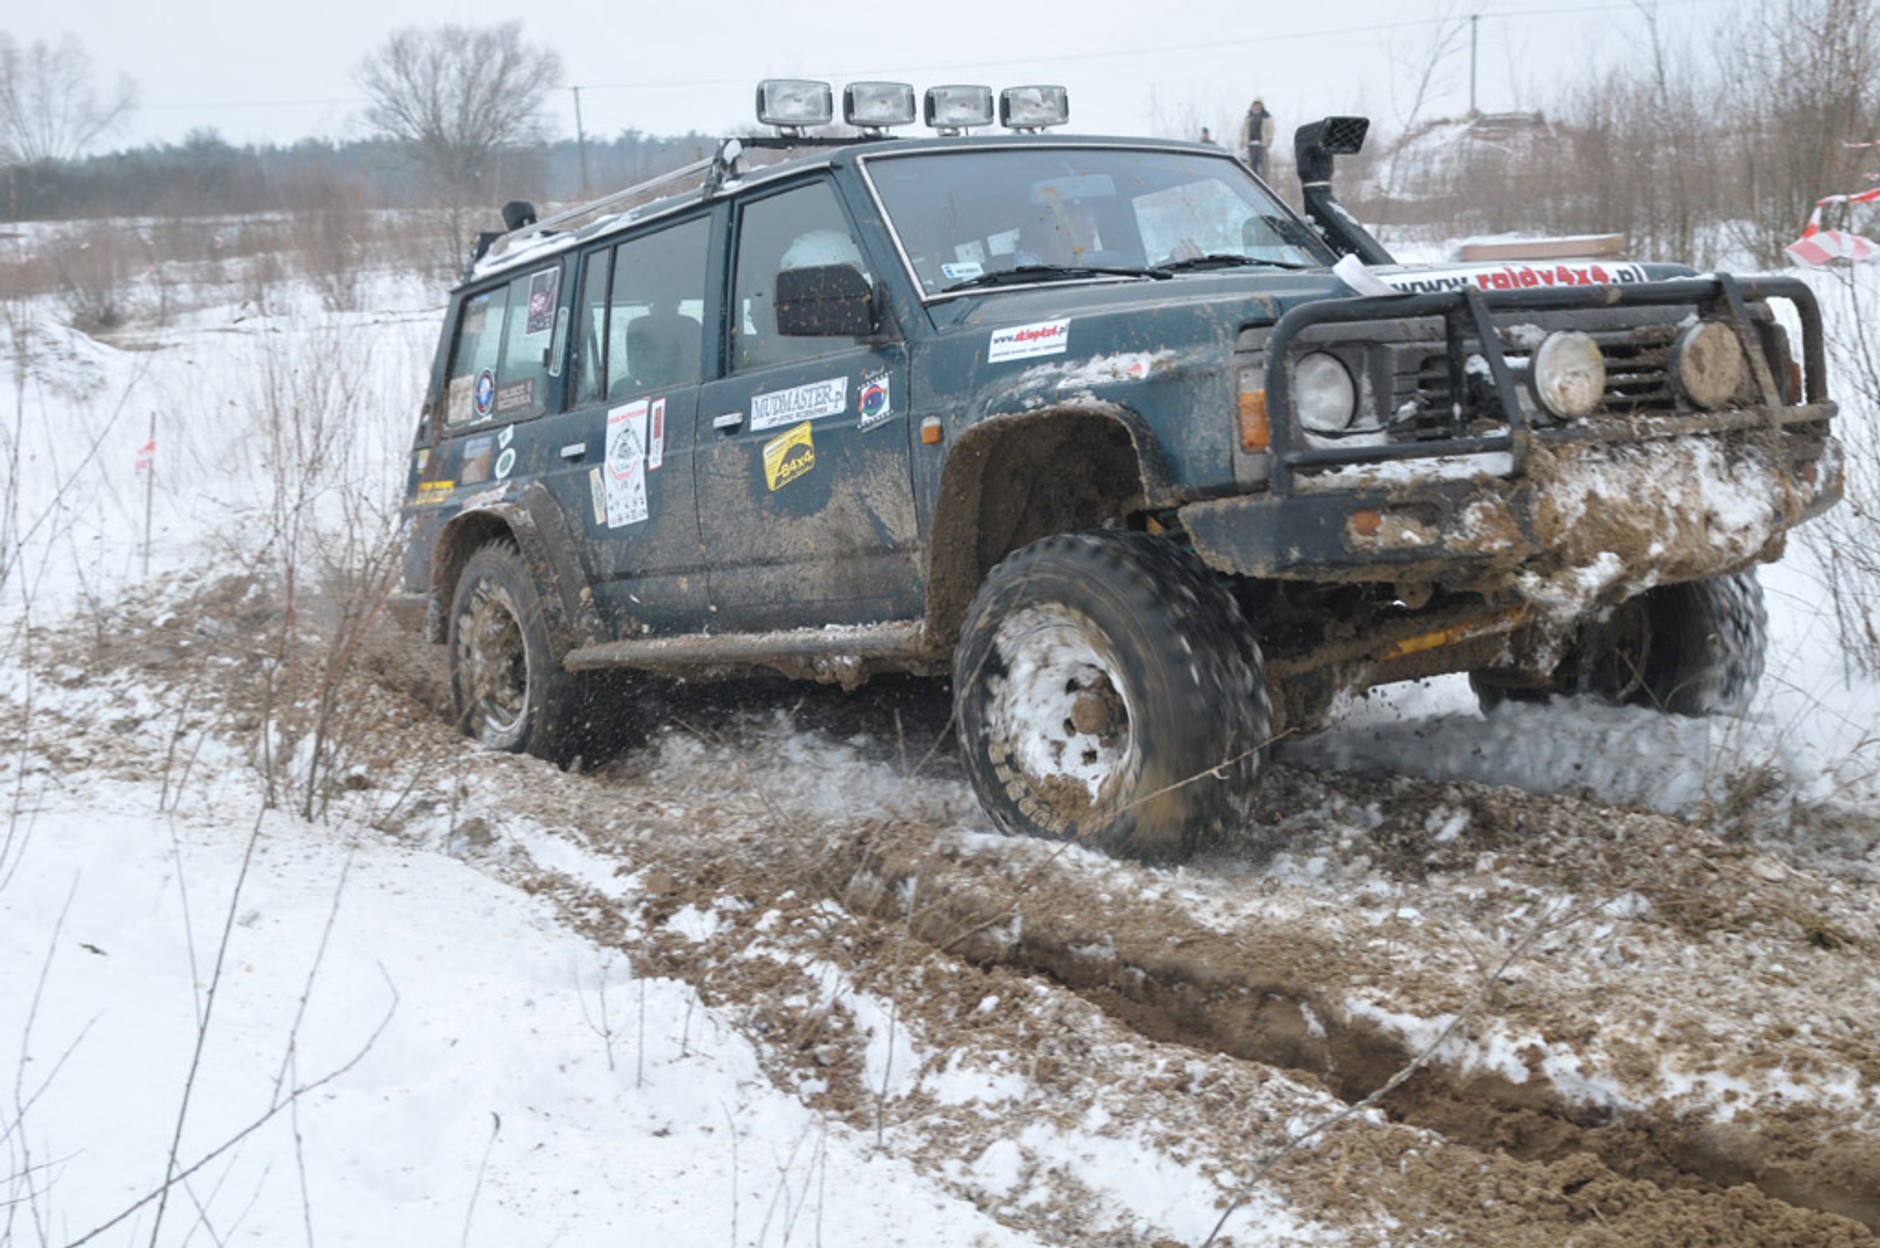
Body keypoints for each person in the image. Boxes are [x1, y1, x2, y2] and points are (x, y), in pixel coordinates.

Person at [1240, 98, 1275, 178]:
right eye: (1254, 105)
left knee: (1264, 166)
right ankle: (1253, 179)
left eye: (1258, 105)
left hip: (1262, 144)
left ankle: (1264, 181)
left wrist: (1269, 140)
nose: (1256, 106)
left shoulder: (1266, 117)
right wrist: (1242, 142)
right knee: (1252, 165)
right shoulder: (1248, 117)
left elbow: (1271, 129)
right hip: (1251, 145)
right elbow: (1243, 131)